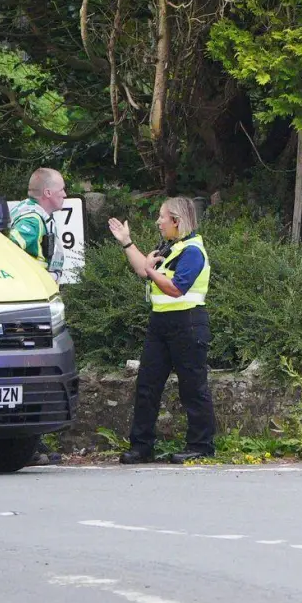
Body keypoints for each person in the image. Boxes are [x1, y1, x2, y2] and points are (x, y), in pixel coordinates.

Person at [108, 197, 217, 464]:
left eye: (162, 217)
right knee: (147, 385)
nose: (158, 222)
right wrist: (127, 242)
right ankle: (142, 446)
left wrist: (149, 269)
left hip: (188, 322)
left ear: (176, 221)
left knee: (193, 387)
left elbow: (176, 287)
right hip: (161, 322)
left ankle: (200, 445)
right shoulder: (171, 247)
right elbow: (145, 272)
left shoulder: (192, 251)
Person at [9, 168, 67, 281]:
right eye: (61, 190)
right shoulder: (32, 221)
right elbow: (7, 247)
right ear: (48, 193)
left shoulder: (28, 208)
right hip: (32, 291)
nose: (64, 194)